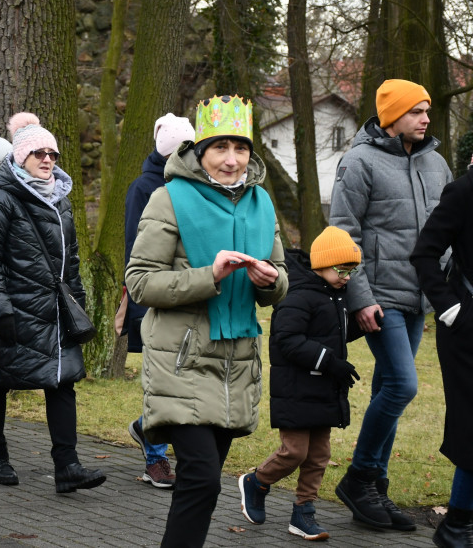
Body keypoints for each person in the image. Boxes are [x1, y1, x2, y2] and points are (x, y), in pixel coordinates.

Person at [125, 94, 288, 548]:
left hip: (236, 363)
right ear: (201, 151)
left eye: (241, 148)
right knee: (201, 481)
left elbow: (280, 281)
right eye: (221, 148)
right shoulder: (168, 198)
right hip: (182, 362)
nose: (232, 160)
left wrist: (271, 280)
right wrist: (208, 276)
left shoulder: (261, 204)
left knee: (203, 486)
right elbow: (139, 282)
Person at [329, 78, 450, 531]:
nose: (425, 118)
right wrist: (359, 298)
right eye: (417, 110)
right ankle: (359, 478)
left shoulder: (437, 164)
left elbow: (446, 232)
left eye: (427, 110)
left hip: (419, 298)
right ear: (393, 116)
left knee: (388, 391)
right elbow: (343, 234)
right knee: (403, 385)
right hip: (379, 298)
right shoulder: (359, 161)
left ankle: (376, 487)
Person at [0, 112, 106, 494]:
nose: (47, 160)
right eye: (38, 154)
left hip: (53, 312)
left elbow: (71, 259)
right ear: (20, 158)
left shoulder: (61, 200)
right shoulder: (0, 197)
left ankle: (68, 466)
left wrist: (76, 303)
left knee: (63, 382)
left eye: (53, 154)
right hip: (8, 309)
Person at [238, 226, 364, 541]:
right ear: (322, 263)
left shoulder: (335, 295)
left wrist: (364, 326)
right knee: (294, 451)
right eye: (342, 269)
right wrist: (329, 361)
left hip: (323, 388)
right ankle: (257, 482)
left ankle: (303, 512)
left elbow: (332, 333)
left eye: (352, 270)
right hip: (296, 389)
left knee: (319, 455)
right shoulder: (297, 293)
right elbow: (287, 338)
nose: (347, 276)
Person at [122, 112, 195, 490]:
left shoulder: (199, 187)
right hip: (154, 298)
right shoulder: (144, 188)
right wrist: (137, 301)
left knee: (184, 379)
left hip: (191, 295)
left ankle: (146, 428)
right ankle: (156, 457)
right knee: (161, 380)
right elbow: (135, 251)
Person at [410, 169, 473, 547]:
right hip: (467, 333)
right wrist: (452, 310)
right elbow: (424, 254)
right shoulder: (464, 189)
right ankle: (456, 526)